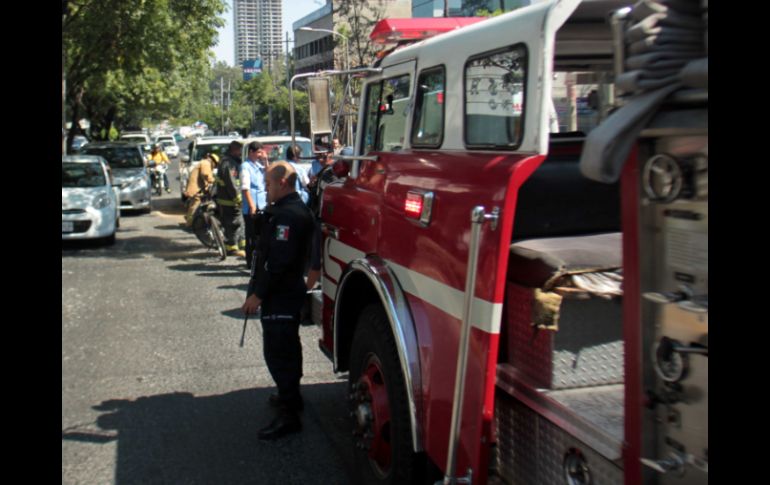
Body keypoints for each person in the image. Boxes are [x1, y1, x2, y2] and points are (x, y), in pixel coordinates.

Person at [242, 161, 320, 441]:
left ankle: (289, 415)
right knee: (285, 348)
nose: (266, 189)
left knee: (279, 352)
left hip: (282, 293)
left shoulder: (289, 216)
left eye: (269, 184)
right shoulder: (284, 211)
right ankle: (291, 396)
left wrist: (258, 295)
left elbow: (278, 262)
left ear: (282, 183)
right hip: (283, 292)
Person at [241, 141, 270, 269]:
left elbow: (269, 176)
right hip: (252, 207)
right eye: (258, 152)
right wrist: (252, 205)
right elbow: (245, 188)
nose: (260, 154)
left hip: (262, 205)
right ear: (251, 152)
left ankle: (260, 261)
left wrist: (266, 161)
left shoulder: (258, 165)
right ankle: (250, 262)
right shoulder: (245, 166)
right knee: (251, 236)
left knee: (262, 235)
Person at [216, 140, 246, 257]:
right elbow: (232, 184)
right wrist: (238, 199)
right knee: (232, 223)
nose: (241, 153)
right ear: (234, 150)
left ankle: (241, 245)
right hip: (229, 200)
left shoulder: (231, 161)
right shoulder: (229, 164)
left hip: (230, 199)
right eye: (240, 151)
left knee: (239, 222)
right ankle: (231, 247)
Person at [183, 153, 219, 227]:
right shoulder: (206, 163)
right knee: (195, 206)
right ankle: (190, 223)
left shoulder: (204, 163)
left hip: (198, 189)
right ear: (213, 161)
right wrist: (215, 180)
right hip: (196, 190)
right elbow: (206, 175)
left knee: (194, 206)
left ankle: (191, 221)